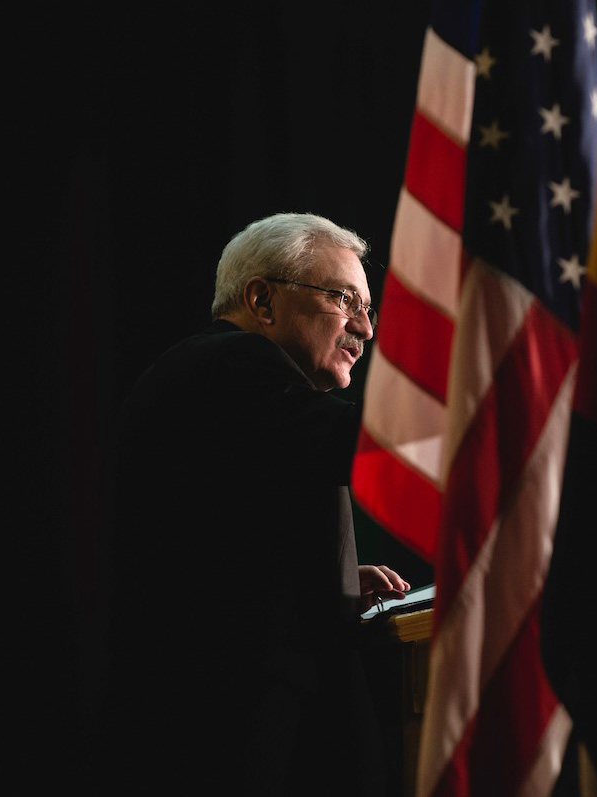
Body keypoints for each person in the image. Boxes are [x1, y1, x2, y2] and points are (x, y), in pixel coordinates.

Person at [101, 212, 409, 795]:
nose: (365, 329)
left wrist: (334, 578)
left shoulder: (220, 381)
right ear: (262, 299)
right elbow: (354, 447)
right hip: (230, 726)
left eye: (369, 308)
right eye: (345, 299)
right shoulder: (231, 362)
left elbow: (223, 537)